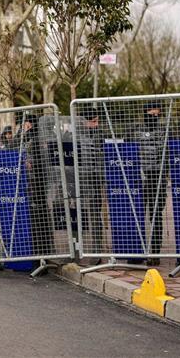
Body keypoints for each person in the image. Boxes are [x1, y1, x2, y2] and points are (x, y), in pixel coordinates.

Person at [135, 101, 167, 262]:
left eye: (157, 114)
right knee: (137, 212)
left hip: (157, 176)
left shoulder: (164, 129)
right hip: (139, 177)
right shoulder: (136, 130)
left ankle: (155, 252)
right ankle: (137, 250)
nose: (154, 117)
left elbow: (167, 152)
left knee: (155, 214)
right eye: (151, 114)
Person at [19, 113, 55, 256]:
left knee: (38, 215)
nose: (23, 126)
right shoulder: (41, 136)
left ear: (29, 124)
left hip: (35, 182)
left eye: (25, 123)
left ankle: (41, 250)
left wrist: (29, 163)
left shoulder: (32, 137)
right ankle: (46, 249)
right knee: (44, 213)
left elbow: (30, 158)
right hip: (42, 182)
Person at [76, 106, 105, 255]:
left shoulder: (100, 135)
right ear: (84, 122)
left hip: (94, 178)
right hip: (78, 180)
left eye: (97, 121)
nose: (96, 125)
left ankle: (96, 247)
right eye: (93, 122)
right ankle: (76, 247)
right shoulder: (74, 135)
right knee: (77, 213)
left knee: (95, 212)